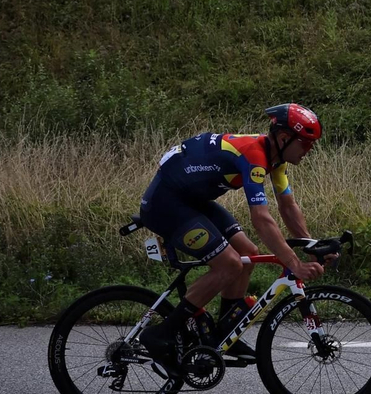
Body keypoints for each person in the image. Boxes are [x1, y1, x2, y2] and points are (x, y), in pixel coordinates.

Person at [138, 105, 326, 364]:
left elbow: (287, 206)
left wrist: (310, 245)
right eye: (306, 144)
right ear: (284, 138)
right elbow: (260, 218)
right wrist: (294, 263)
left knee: (248, 254)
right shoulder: (254, 155)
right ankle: (161, 334)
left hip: (192, 200)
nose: (309, 150)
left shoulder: (276, 161)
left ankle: (226, 334)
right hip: (166, 203)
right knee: (229, 264)